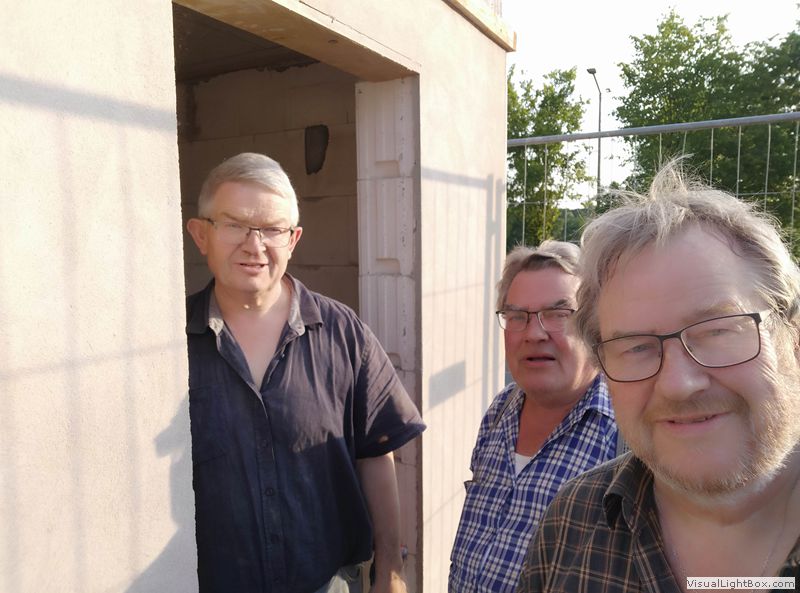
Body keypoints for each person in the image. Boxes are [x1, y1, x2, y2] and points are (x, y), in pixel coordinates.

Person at [517, 162, 800, 592]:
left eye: (717, 330)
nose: (677, 385)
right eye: (635, 347)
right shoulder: (570, 524)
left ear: (792, 338)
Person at [185, 152, 425, 593]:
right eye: (234, 224)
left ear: (293, 239)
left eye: (272, 229)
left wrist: (391, 567)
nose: (254, 245)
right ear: (201, 234)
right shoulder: (173, 342)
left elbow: (376, 451)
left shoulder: (343, 333)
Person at [448, 241, 620, 593]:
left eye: (558, 314)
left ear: (593, 325)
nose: (534, 333)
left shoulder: (625, 434)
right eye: (517, 316)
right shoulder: (500, 410)